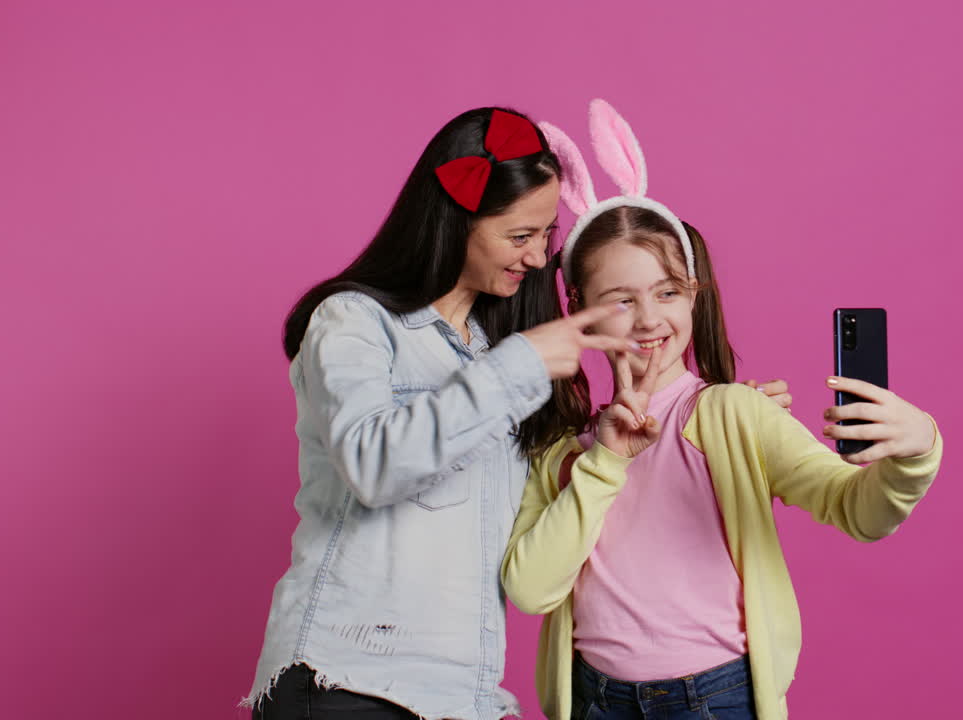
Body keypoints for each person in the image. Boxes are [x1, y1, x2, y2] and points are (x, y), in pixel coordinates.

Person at [242, 105, 796, 720]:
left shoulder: (500, 352)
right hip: (350, 681)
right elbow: (374, 466)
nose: (538, 258)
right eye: (519, 236)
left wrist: (725, 424)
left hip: (463, 695)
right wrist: (520, 364)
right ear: (456, 222)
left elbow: (539, 530)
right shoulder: (355, 322)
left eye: (545, 237)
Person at [501, 100, 944, 720]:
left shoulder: (736, 415)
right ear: (579, 310)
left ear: (693, 296)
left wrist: (916, 452)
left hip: (716, 699)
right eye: (621, 300)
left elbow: (857, 509)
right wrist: (602, 461)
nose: (650, 318)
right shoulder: (563, 452)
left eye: (667, 292)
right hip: (595, 699)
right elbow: (529, 587)